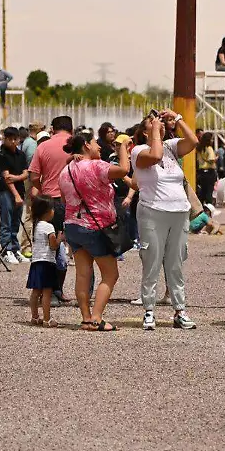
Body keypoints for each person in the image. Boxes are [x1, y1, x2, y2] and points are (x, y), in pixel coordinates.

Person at [133, 110, 199, 331]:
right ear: (144, 131)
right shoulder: (138, 150)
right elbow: (154, 157)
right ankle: (149, 310)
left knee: (176, 263)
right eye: (152, 123)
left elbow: (193, 141)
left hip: (179, 211)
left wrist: (178, 118)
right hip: (152, 210)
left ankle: (179, 310)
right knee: (151, 261)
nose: (159, 124)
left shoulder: (170, 146)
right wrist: (155, 133)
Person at [60, 128, 130, 331]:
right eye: (95, 142)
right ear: (87, 145)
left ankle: (85, 318)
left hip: (72, 226)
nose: (99, 145)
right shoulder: (96, 166)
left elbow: (64, 199)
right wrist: (123, 147)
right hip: (96, 227)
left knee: (83, 274)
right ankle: (97, 318)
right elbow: (124, 170)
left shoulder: (66, 171)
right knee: (110, 275)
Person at [29, 116, 75, 306]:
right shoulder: (77, 146)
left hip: (49, 202)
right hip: (72, 201)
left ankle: (48, 291)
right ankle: (62, 290)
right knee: (75, 248)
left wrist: (45, 189)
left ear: (53, 129)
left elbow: (33, 177)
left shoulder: (43, 147)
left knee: (49, 249)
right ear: (71, 129)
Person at [0, 127, 30, 265]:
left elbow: (26, 173)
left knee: (16, 222)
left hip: (20, 191)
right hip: (7, 192)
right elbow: (6, 178)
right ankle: (6, 249)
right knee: (6, 221)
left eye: (15, 139)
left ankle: (15, 249)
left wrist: (16, 178)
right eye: (10, 139)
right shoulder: (2, 156)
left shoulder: (21, 154)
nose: (13, 141)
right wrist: (16, 195)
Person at [26, 196, 61, 327]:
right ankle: (47, 319)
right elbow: (53, 246)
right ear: (47, 211)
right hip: (47, 262)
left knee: (36, 291)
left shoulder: (36, 225)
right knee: (47, 292)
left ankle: (34, 317)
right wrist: (60, 238)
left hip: (36, 261)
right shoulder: (49, 227)